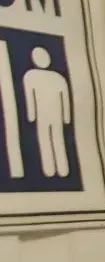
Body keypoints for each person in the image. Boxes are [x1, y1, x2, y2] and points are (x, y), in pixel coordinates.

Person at [23, 45, 70, 178]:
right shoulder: (56, 78)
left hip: (47, 116)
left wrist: (31, 116)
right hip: (50, 116)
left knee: (47, 140)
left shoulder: (31, 76)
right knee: (54, 139)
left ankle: (54, 169)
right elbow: (30, 98)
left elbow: (30, 98)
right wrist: (66, 117)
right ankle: (58, 169)